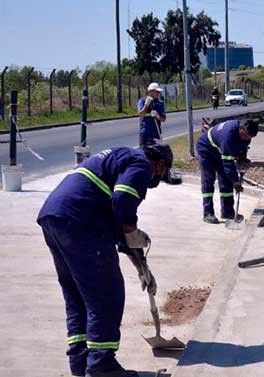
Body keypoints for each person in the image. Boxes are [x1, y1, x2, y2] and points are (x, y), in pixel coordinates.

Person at [37, 141, 174, 377]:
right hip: (81, 222)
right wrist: (132, 231)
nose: (158, 177)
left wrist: (140, 264)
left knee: (78, 295)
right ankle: (102, 366)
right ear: (160, 164)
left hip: (55, 218)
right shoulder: (140, 163)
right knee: (107, 293)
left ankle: (80, 363)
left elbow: (118, 224)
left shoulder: (117, 160)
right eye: (162, 173)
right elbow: (123, 202)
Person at [198, 118, 259, 224]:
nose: (248, 139)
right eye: (246, 136)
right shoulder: (228, 135)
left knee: (226, 181)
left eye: (250, 137)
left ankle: (228, 211)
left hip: (219, 150)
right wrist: (236, 182)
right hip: (206, 149)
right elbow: (228, 165)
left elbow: (242, 148)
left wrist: (242, 159)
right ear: (241, 130)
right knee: (208, 180)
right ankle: (208, 213)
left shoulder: (246, 135)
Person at [137, 83, 166, 147]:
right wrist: (146, 105)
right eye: (157, 91)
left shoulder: (160, 103)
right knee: (143, 151)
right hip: (145, 132)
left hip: (156, 132)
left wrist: (157, 116)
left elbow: (163, 119)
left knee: (157, 152)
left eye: (159, 92)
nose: (158, 93)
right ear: (150, 91)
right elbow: (141, 115)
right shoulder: (142, 101)